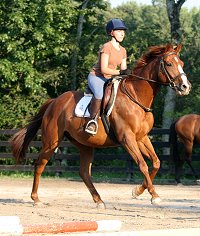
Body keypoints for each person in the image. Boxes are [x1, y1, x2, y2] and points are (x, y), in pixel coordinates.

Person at [85, 18, 129, 135]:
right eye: (119, 30)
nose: (122, 33)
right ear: (111, 32)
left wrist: (128, 74)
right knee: (100, 94)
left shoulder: (123, 50)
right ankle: (92, 122)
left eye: (123, 31)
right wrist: (121, 72)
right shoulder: (107, 47)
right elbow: (104, 69)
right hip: (97, 77)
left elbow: (124, 70)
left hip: (111, 78)